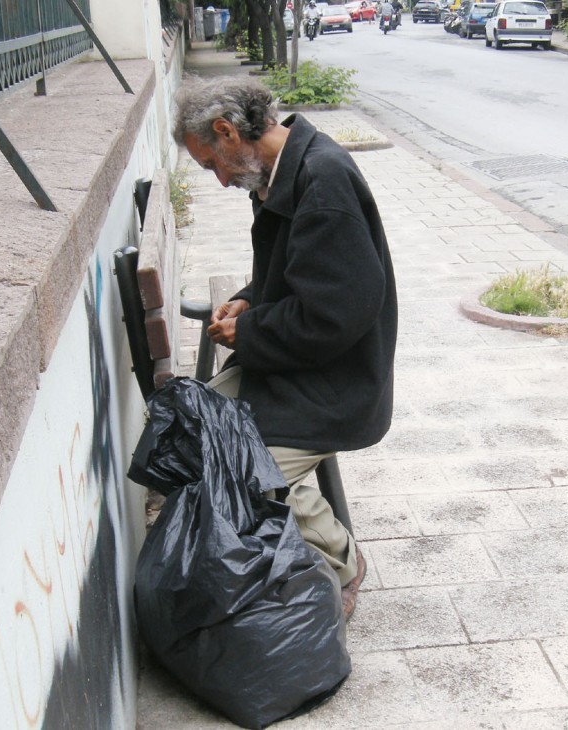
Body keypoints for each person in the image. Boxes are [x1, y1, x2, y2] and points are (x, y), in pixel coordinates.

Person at [172, 76, 398, 621]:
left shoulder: (322, 182)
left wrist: (248, 335)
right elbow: (299, 279)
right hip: (297, 362)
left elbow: (334, 314)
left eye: (211, 164)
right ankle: (256, 556)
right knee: (190, 427)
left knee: (245, 466)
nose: (220, 179)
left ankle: (343, 561)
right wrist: (249, 301)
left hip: (337, 383)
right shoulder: (277, 176)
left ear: (228, 132)